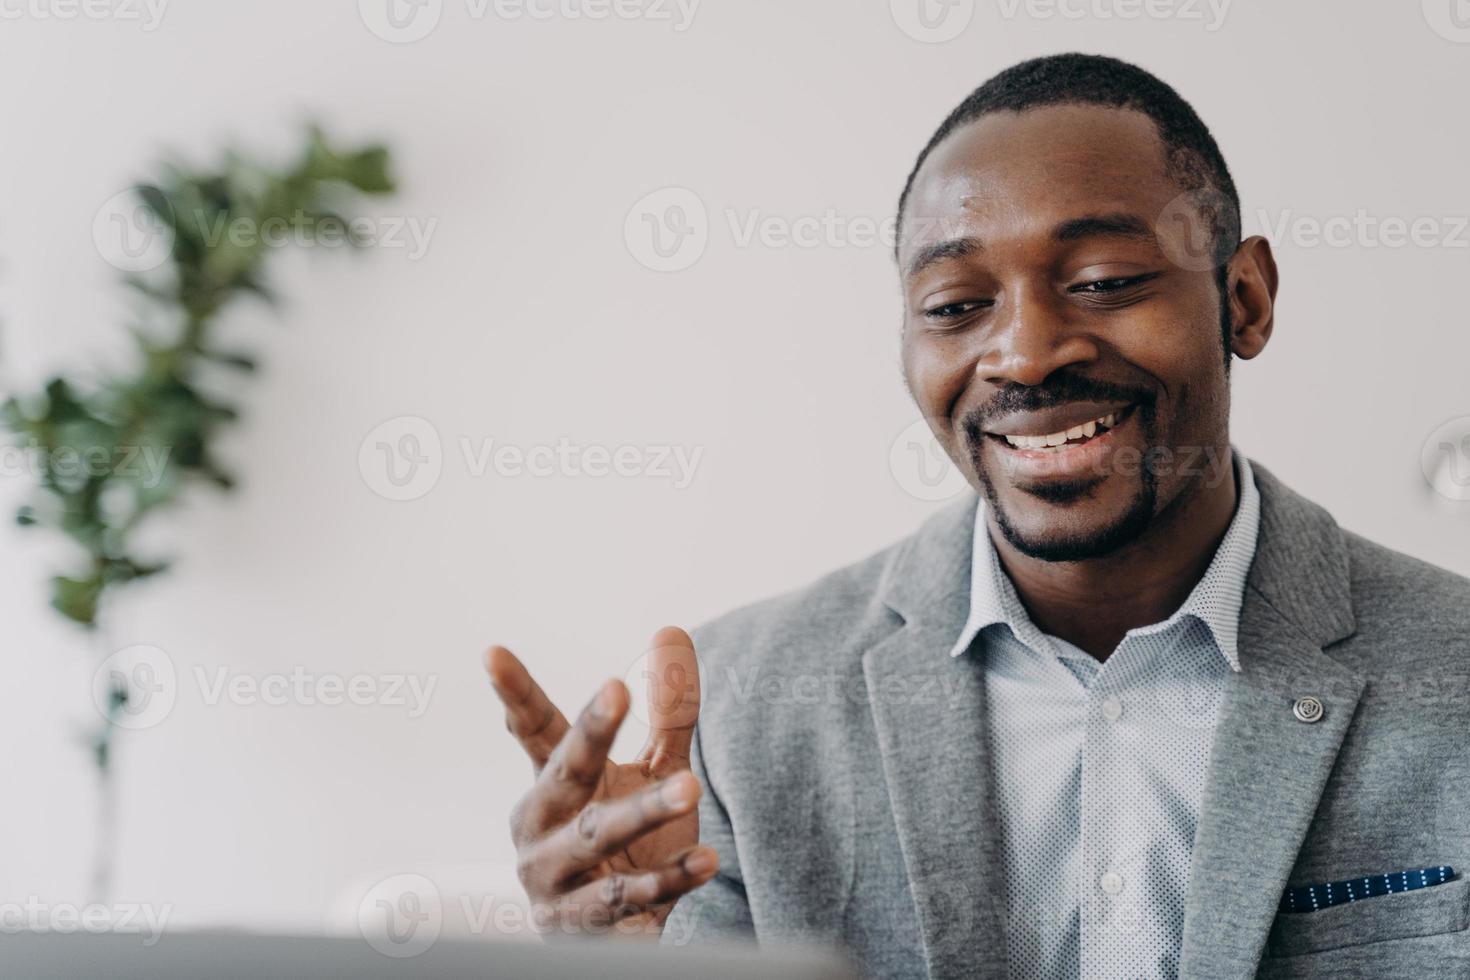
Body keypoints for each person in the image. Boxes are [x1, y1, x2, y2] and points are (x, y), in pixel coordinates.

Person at [485, 53, 1470, 978]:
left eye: (1104, 282)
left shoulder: (1453, 666)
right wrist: (623, 952)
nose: (1028, 352)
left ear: (1244, 298)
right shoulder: (743, 713)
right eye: (958, 304)